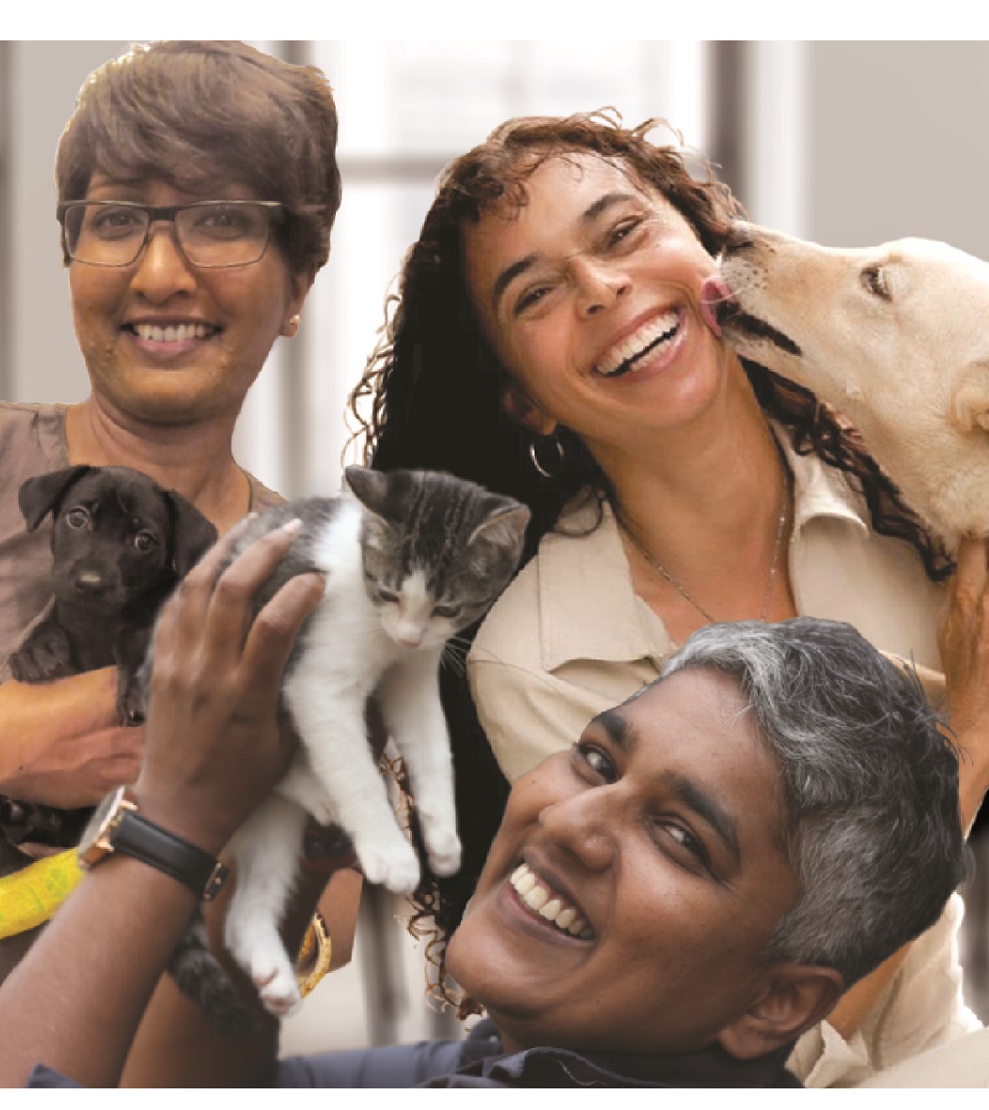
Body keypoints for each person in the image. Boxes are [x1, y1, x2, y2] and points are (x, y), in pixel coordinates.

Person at [349, 109, 989, 1085]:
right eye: (536, 296)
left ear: (704, 247)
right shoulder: (538, 662)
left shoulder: (928, 515)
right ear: (524, 398)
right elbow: (732, 1047)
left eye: (621, 234)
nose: (602, 288)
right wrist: (973, 746)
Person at [0, 522, 969, 1087]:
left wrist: (172, 813)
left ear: (778, 1002)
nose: (573, 822)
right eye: (594, 759)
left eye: (679, 836)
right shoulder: (523, 1058)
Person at [0, 40, 361, 999]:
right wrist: (28, 736)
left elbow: (322, 921)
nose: (159, 273)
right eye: (116, 220)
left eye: (222, 221)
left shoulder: (316, 580)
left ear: (299, 288)